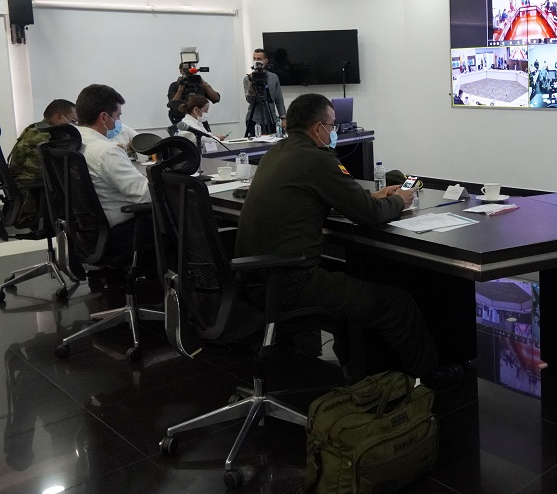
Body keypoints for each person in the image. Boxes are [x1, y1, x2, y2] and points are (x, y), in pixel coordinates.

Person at [233, 93, 462, 389]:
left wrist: (370, 197)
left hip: (256, 279)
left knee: (349, 284)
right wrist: (401, 201)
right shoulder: (317, 158)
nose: (335, 131)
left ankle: (355, 370)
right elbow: (369, 215)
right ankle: (432, 381)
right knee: (398, 305)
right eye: (332, 125)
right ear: (318, 129)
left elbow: (329, 197)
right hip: (292, 283)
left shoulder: (277, 152)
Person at [75, 84, 151, 257]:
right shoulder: (106, 151)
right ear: (104, 117)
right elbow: (145, 195)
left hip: (86, 232)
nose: (118, 122)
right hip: (121, 231)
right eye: (117, 116)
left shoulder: (73, 143)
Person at [7, 99, 77, 228]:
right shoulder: (47, 137)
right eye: (73, 121)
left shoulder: (35, 129)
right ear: (59, 117)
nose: (75, 125)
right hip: (31, 198)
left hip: (26, 190)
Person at [242, 48, 286, 136]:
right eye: (254, 58)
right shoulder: (247, 79)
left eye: (259, 59)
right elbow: (250, 100)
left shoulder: (274, 77)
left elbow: (278, 99)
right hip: (255, 119)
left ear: (265, 61)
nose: (256, 61)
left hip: (271, 118)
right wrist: (251, 84)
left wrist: (283, 118)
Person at [167, 61, 220, 128]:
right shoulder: (175, 85)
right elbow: (172, 105)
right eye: (185, 68)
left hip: (199, 119)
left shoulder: (200, 85)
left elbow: (216, 98)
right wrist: (180, 89)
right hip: (182, 120)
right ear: (180, 71)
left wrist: (203, 83)